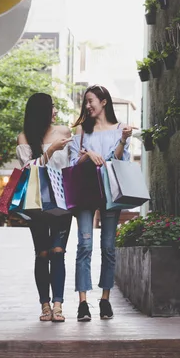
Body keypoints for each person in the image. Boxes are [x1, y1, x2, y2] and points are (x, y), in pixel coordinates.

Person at [69, 85, 135, 321]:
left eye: (91, 101)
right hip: (85, 192)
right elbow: (73, 165)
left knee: (108, 247)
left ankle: (105, 299)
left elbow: (118, 162)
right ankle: (83, 303)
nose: (87, 106)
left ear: (104, 102)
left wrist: (124, 139)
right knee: (84, 246)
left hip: (110, 193)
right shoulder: (81, 133)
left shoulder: (119, 130)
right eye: (85, 102)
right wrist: (87, 155)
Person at [16, 93, 72, 322]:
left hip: (62, 201)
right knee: (42, 253)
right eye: (52, 107)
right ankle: (45, 305)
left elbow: (71, 165)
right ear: (42, 111)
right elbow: (28, 169)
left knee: (58, 252)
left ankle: (58, 305)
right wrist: (50, 151)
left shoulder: (65, 132)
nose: (55, 111)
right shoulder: (24, 137)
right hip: (36, 204)